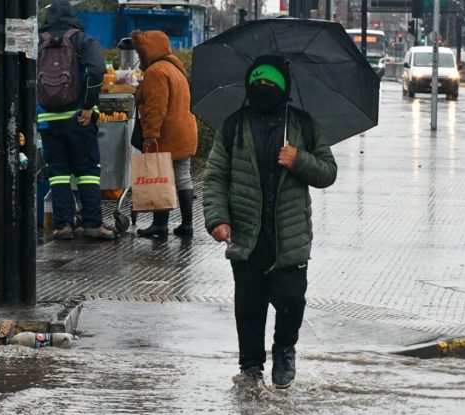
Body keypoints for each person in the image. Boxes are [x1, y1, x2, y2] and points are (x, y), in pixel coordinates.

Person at [202, 55, 338, 389]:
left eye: (270, 83)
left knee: (291, 301)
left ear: (283, 88)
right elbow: (216, 176)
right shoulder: (233, 126)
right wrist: (217, 219)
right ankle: (250, 368)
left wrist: (299, 160)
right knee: (249, 306)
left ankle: (284, 349)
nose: (263, 88)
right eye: (257, 82)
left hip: (288, 238)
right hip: (247, 235)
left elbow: (328, 172)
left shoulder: (303, 125)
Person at [37, 0, 114, 240]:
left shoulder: (38, 41)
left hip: (47, 119)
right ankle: (92, 223)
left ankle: (63, 226)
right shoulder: (81, 39)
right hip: (78, 118)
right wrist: (89, 106)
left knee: (57, 173)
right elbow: (97, 70)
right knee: (87, 171)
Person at [131, 30, 198, 239]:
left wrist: (150, 135)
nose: (140, 56)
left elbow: (155, 108)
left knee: (161, 177)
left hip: (167, 135)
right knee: (182, 178)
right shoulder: (175, 69)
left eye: (142, 52)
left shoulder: (156, 72)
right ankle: (187, 225)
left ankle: (160, 225)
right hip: (184, 132)